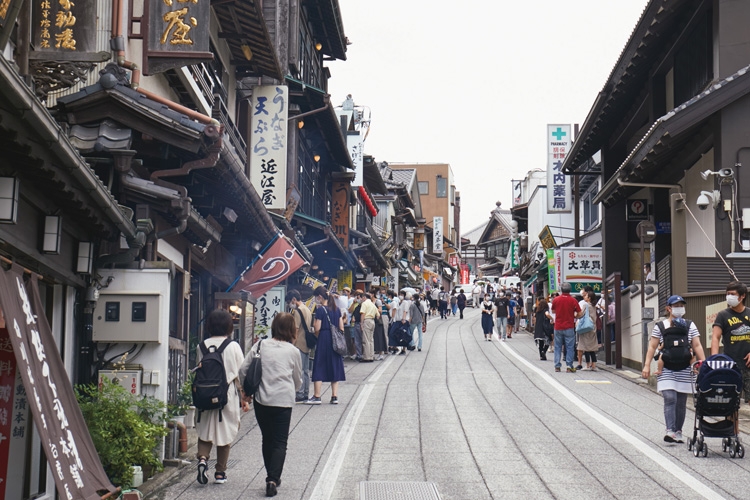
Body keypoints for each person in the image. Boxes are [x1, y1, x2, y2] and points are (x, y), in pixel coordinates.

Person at [239, 313, 301, 497]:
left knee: (267, 438)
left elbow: (243, 369)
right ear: (291, 330)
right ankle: (273, 479)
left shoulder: (260, 345)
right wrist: (292, 389)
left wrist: (246, 390)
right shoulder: (293, 351)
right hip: (284, 400)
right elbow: (298, 379)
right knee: (280, 441)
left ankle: (271, 474)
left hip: (262, 400)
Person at [642, 295, 705, 443]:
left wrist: (703, 363)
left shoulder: (690, 325)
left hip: (684, 367)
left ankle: (678, 430)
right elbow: (652, 346)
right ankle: (670, 431)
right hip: (666, 367)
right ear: (668, 308)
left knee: (681, 402)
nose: (679, 308)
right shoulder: (661, 326)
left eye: (681, 305)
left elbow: (697, 345)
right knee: (670, 398)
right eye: (676, 305)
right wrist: (646, 365)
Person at [195, 309, 248, 485]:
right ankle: (220, 472)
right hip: (226, 396)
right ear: (228, 326)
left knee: (205, 430)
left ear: (209, 325)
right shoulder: (232, 346)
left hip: (204, 395)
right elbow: (241, 373)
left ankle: (202, 459)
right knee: (225, 432)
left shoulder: (201, 346)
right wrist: (244, 396)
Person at [711, 281, 750, 403]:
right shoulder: (723, 315)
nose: (729, 296)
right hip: (730, 364)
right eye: (727, 294)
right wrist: (714, 359)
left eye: (732, 294)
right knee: (731, 404)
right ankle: (732, 423)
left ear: (742, 296)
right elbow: (715, 337)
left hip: (748, 365)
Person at [307, 286, 345, 405]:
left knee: (319, 364)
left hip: (324, 338)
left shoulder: (320, 310)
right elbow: (341, 327)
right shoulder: (336, 309)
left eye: (316, 297)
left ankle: (317, 396)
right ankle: (334, 396)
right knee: (334, 365)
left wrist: (319, 335)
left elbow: (317, 327)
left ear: (319, 297)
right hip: (335, 340)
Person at [286, 290, 313, 403]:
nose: (289, 305)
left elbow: (295, 330)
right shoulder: (307, 309)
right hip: (306, 343)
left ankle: (300, 393)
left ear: (293, 299)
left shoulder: (298, 311)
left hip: (299, 343)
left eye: (289, 302)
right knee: (306, 370)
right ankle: (305, 392)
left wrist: (292, 343)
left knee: (300, 369)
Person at [551, 282, 584, 373]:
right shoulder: (573, 300)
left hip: (558, 326)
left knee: (557, 346)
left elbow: (553, 311)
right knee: (569, 347)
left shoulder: (556, 299)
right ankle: (569, 366)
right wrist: (575, 316)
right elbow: (580, 313)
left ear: (561, 289)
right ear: (570, 290)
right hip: (569, 326)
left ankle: (557, 366)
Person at [577, 286, 600, 371]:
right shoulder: (594, 306)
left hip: (586, 328)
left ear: (589, 298)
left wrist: (575, 315)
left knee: (586, 347)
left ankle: (587, 365)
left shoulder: (586, 305)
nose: (584, 297)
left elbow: (580, 314)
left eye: (586, 296)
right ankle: (593, 365)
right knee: (592, 347)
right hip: (592, 327)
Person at [359, 292, 379, 362]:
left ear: (364, 297)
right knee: (371, 339)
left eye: (362, 298)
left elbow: (363, 314)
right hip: (372, 321)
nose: (361, 299)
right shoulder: (373, 304)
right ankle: (371, 356)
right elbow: (378, 315)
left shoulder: (364, 304)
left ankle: (366, 357)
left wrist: (361, 323)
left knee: (366, 340)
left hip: (366, 321)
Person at [372, 287, 389, 361]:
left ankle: (382, 352)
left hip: (378, 321)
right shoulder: (370, 301)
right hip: (373, 320)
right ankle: (376, 352)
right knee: (374, 337)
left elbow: (380, 311)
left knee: (380, 336)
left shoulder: (378, 301)